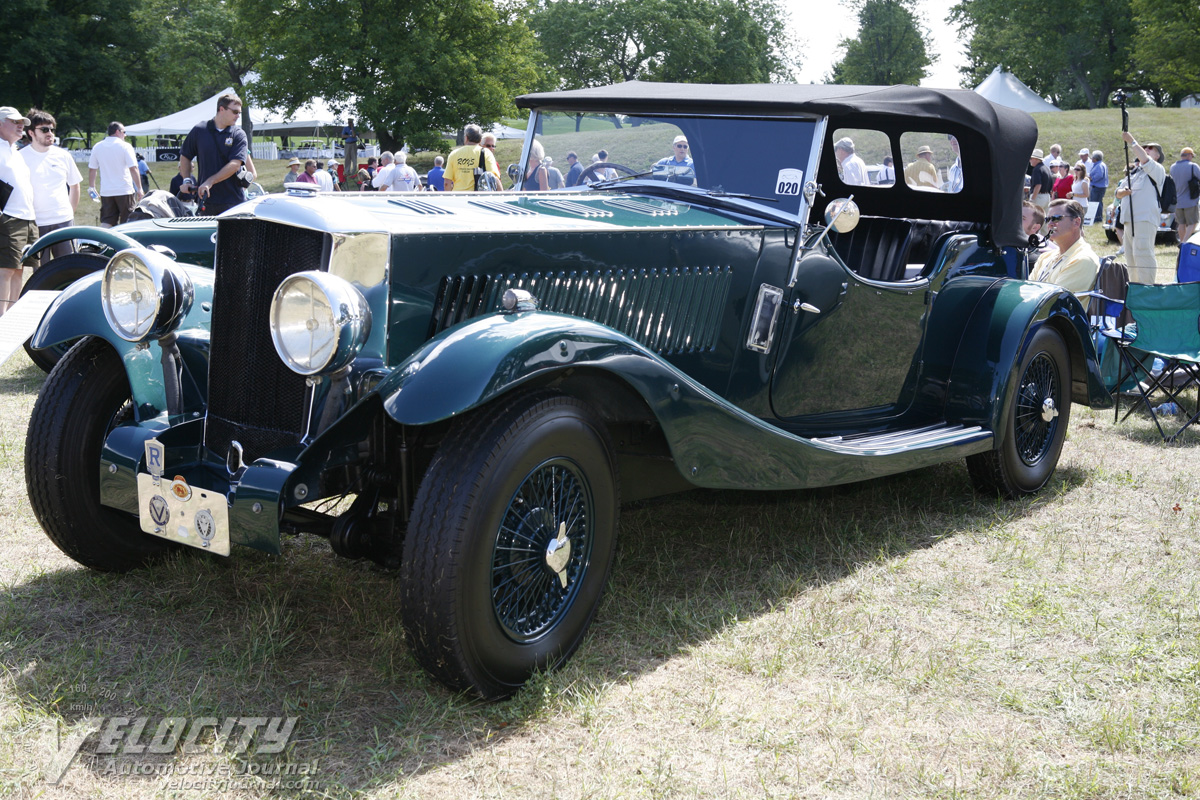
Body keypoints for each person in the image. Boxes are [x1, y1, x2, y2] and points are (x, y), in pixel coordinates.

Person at [20, 108, 82, 265]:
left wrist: (69, 212)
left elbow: (74, 185)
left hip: (63, 221)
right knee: (41, 273)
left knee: (69, 268)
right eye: (44, 129)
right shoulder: (20, 158)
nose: (50, 133)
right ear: (31, 133)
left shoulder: (63, 156)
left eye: (52, 129)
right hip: (36, 224)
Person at [179, 92, 248, 215]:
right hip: (206, 200)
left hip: (233, 201)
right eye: (235, 112)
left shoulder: (238, 134)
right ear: (222, 109)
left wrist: (210, 181)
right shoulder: (200, 130)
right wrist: (186, 180)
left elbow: (235, 164)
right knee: (207, 234)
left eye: (239, 113)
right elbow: (185, 156)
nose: (238, 116)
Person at [1117, 132, 1167, 283]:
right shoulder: (1133, 173)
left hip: (1144, 218)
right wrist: (1123, 192)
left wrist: (1131, 141)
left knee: (1143, 254)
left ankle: (1147, 289)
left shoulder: (1157, 169)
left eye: (1151, 148)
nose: (1146, 149)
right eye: (1145, 147)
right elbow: (1117, 193)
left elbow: (1144, 159)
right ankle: (1135, 289)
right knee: (1131, 257)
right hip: (1128, 220)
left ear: (1157, 156)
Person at [0, 106, 36, 315]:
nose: (20, 125)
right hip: (10, 217)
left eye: (21, 122)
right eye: (14, 121)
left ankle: (10, 318)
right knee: (5, 270)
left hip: (27, 217)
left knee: (19, 270)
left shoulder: (14, 150)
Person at [1031, 199, 1100, 296]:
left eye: (1056, 218)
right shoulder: (1045, 257)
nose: (1050, 224)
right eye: (1047, 219)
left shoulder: (1083, 259)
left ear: (1076, 222)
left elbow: (1054, 300)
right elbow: (1028, 290)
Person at [88, 120, 142, 227]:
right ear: (118, 132)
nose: (125, 135)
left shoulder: (97, 146)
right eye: (124, 132)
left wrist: (91, 187)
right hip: (124, 190)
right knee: (128, 221)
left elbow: (92, 169)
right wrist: (139, 188)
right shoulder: (125, 146)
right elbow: (133, 168)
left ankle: (103, 242)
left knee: (107, 221)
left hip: (106, 191)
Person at [444, 124, 498, 192]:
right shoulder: (486, 153)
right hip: (478, 197)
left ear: (466, 138)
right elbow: (494, 178)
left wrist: (450, 198)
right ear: (480, 140)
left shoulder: (454, 154)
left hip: (458, 197)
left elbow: (447, 183)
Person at [1169, 147, 1200, 243]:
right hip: (1190, 201)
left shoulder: (1172, 167)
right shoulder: (1193, 166)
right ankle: (1184, 242)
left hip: (1177, 202)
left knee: (1181, 224)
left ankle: (1182, 244)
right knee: (1193, 223)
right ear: (1189, 155)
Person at [1026, 148, 1054, 214]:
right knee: (1044, 220)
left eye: (1031, 158)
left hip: (1038, 197)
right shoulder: (1046, 168)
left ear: (1036, 159)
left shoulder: (1037, 169)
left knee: (1035, 218)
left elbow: (1038, 185)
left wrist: (1032, 199)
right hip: (1047, 197)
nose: (1030, 160)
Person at [1088, 150, 1108, 224]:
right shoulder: (1100, 164)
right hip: (1099, 187)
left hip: (1097, 187)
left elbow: (1099, 175)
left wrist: (1092, 178)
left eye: (1092, 157)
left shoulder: (1099, 165)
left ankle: (1097, 218)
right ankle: (1097, 217)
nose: (1091, 158)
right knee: (1098, 202)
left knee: (1095, 202)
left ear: (1095, 158)